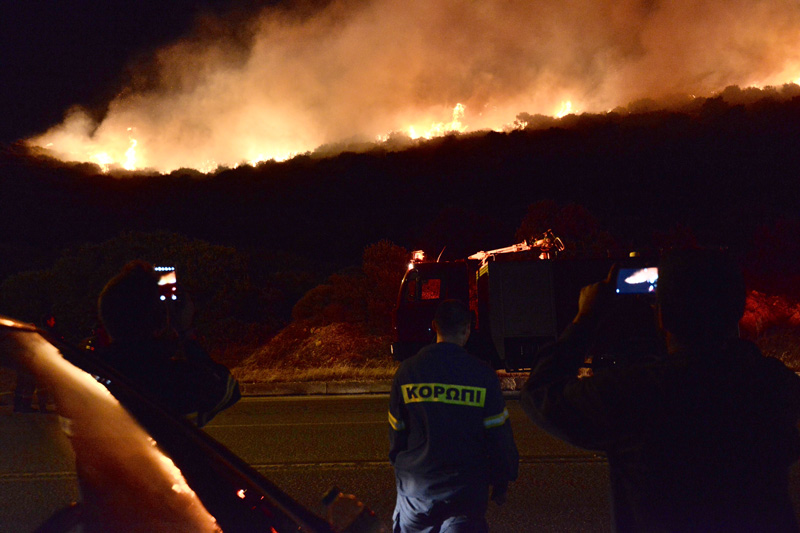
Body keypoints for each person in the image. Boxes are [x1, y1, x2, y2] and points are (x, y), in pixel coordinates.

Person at [520, 249, 800, 532]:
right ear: (738, 309)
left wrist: (585, 320)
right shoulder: (774, 384)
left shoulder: (635, 392)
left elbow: (541, 393)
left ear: (663, 317)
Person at [388, 299, 519, 533]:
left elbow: (397, 431)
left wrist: (405, 469)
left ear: (434, 326)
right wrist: (503, 479)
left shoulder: (407, 371)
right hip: (465, 493)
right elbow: (499, 435)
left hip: (417, 491)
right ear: (468, 329)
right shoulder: (482, 376)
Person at [97, 260, 239, 426]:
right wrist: (185, 332)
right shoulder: (175, 381)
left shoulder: (87, 375)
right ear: (160, 320)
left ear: (106, 317)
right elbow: (228, 389)